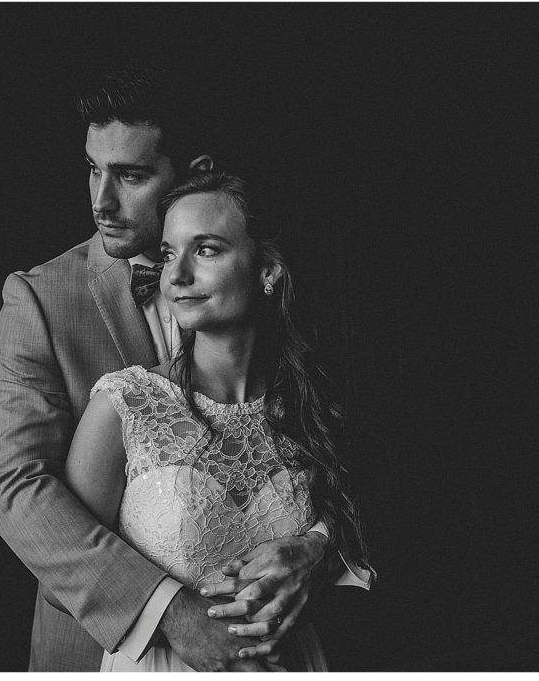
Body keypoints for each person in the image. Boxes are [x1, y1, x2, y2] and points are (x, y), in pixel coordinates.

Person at [0, 64, 370, 672]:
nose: (101, 201)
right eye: (93, 169)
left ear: (194, 172)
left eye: (130, 176)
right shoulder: (40, 298)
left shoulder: (286, 312)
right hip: (106, 647)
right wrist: (168, 612)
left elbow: (358, 463)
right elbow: (17, 488)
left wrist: (318, 552)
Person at [63, 171, 372, 671]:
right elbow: (65, 573)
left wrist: (320, 551)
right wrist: (170, 615)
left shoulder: (313, 402)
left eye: (205, 250)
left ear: (268, 269)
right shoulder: (126, 404)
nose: (176, 275)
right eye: (169, 254)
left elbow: (375, 514)